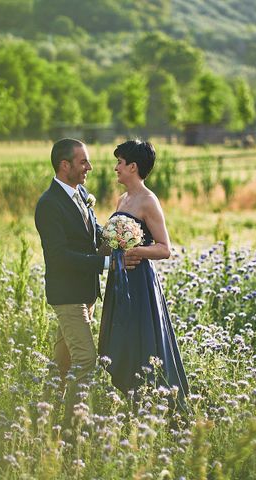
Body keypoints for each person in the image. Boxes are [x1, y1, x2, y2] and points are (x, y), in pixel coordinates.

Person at [34, 138, 139, 435]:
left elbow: (94, 235)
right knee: (86, 361)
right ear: (64, 165)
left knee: (61, 364)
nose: (89, 167)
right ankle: (75, 428)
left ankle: (44, 418)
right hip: (67, 296)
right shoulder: (48, 205)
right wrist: (109, 265)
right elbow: (60, 256)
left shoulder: (79, 193)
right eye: (83, 162)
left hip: (86, 293)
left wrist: (122, 242)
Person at [98, 139, 189, 410]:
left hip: (139, 282)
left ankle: (153, 400)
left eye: (120, 163)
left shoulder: (149, 201)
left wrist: (136, 251)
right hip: (119, 280)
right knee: (122, 338)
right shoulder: (122, 199)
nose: (116, 168)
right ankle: (128, 399)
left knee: (142, 340)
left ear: (133, 167)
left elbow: (164, 249)